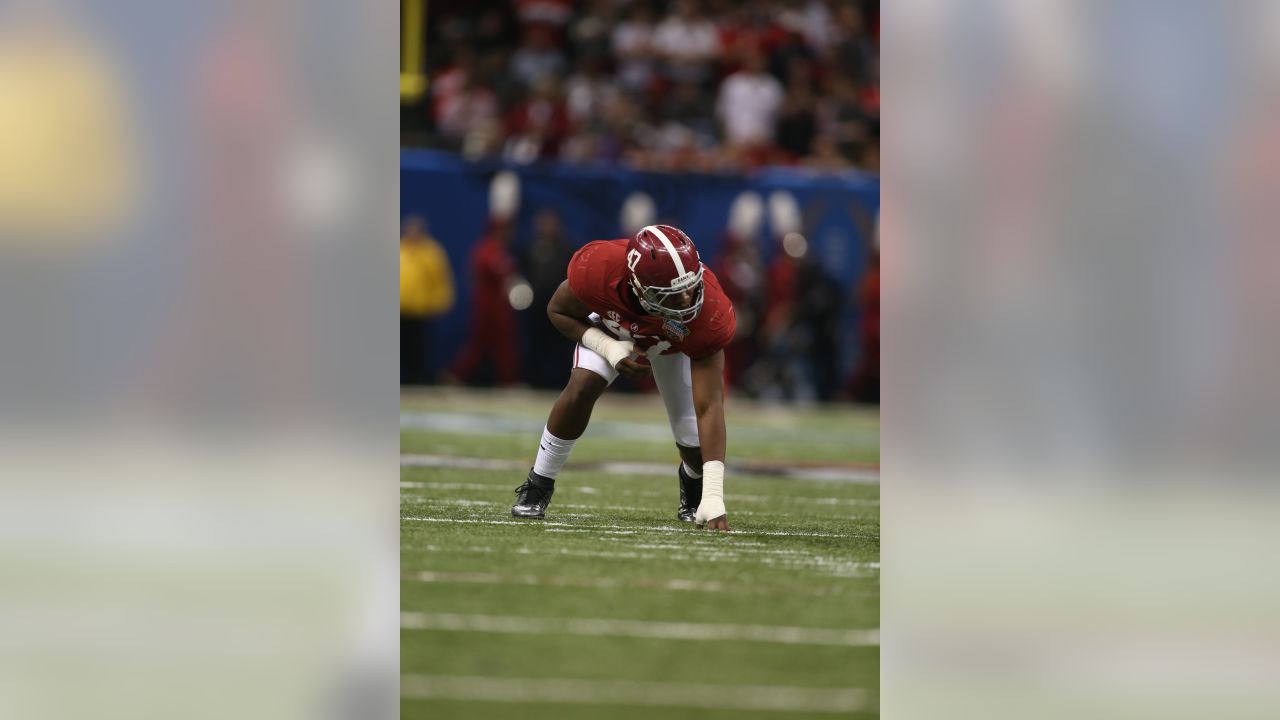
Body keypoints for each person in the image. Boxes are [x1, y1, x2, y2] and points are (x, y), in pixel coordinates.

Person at [511, 224, 736, 531]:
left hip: (673, 346)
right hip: (613, 328)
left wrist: (714, 493)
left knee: (693, 443)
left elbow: (709, 405)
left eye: (690, 286)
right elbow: (558, 310)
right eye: (671, 294)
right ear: (639, 287)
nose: (686, 300)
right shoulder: (599, 269)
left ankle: (694, 487)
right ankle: (538, 483)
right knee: (582, 387)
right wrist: (606, 347)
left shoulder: (707, 310)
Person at [399, 217, 455, 384]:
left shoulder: (431, 253)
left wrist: (441, 302)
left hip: (421, 311)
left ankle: (417, 381)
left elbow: (441, 281)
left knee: (418, 350)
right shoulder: (400, 250)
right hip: (400, 310)